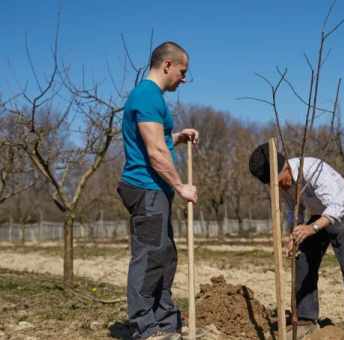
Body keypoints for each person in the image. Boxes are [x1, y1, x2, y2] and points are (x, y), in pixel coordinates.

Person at [117, 41, 199, 340]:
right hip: (146, 187)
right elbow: (154, 153)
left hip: (155, 189)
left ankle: (164, 321)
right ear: (167, 65)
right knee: (150, 257)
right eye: (183, 71)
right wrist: (181, 186)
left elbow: (158, 141)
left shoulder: (152, 98)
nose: (184, 78)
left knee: (165, 256)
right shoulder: (147, 96)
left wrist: (177, 136)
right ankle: (145, 328)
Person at [248, 143, 344, 339]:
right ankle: (306, 319)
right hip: (318, 213)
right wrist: (293, 235)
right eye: (277, 185)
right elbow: (293, 209)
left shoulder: (313, 170)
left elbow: (335, 206)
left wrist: (311, 228)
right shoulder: (282, 183)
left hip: (343, 210)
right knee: (302, 258)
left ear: (286, 167)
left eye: (282, 181)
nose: (282, 186)